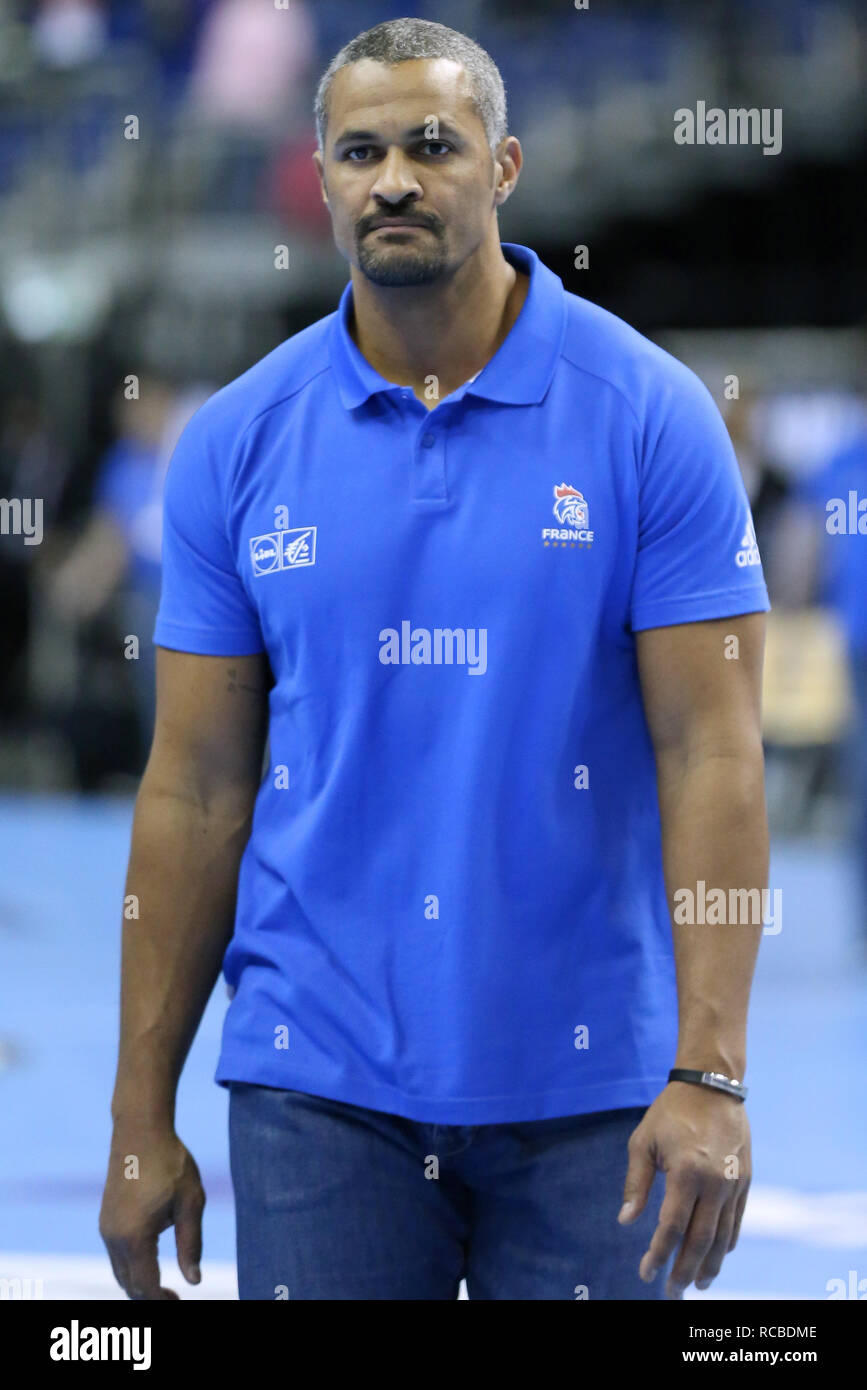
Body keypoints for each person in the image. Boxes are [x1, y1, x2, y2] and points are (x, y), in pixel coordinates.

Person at [99, 18, 770, 1301]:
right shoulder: (240, 440)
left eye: (432, 144)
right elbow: (191, 789)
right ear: (323, 179)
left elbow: (713, 753)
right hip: (319, 1083)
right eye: (359, 151)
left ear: (504, 166)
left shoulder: (648, 415)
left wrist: (711, 1070)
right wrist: (140, 1117)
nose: (394, 177)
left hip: (594, 1093)